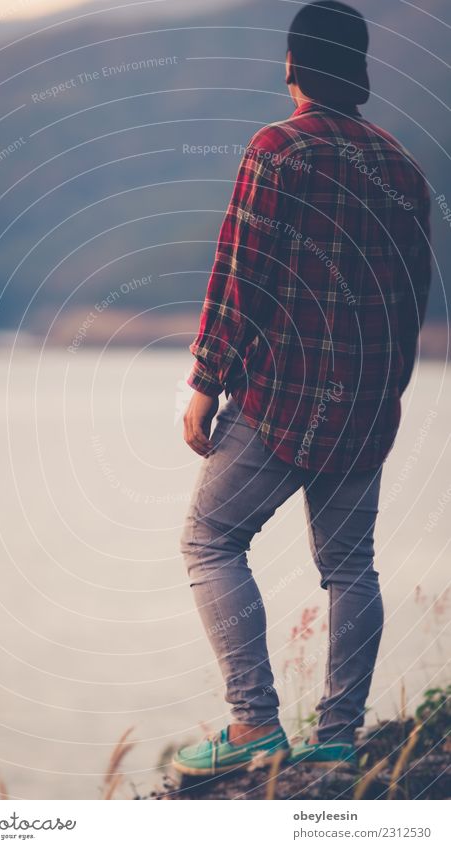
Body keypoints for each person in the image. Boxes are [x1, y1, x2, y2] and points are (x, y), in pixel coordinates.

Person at [173, 0, 431, 776]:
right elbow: (409, 299)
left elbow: (238, 273)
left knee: (209, 538)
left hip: (281, 397)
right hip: (361, 406)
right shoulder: (401, 167)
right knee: (350, 565)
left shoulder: (277, 150)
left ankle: (253, 723)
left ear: (291, 66)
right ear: (356, 72)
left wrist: (204, 382)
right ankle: (337, 737)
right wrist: (381, 393)